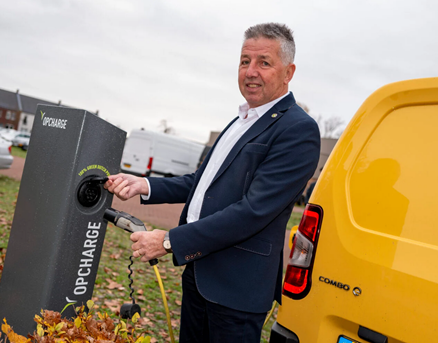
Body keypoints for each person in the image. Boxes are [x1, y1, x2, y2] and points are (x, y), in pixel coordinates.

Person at [105, 23, 320, 343]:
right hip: (199, 272)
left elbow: (253, 211)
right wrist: (145, 186)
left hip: (238, 289)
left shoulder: (298, 130)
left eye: (264, 62)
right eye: (245, 61)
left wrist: (169, 242)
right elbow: (202, 183)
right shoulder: (240, 120)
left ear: (288, 72)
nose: (251, 71)